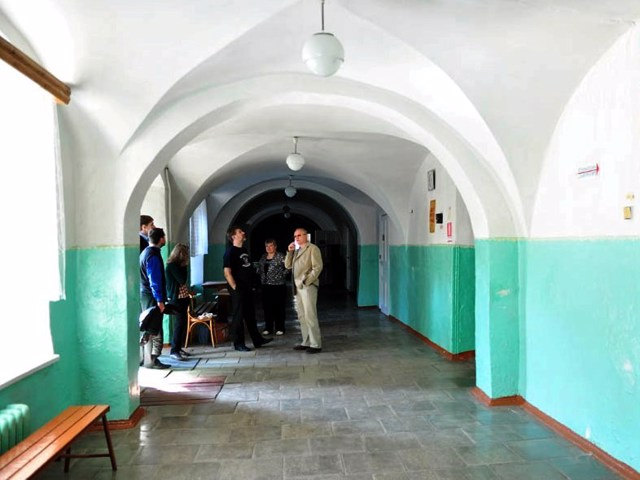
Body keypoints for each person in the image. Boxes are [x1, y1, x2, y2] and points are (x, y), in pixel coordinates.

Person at [223, 226, 273, 352]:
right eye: (240, 232)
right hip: (238, 288)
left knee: (250, 315)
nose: (243, 232)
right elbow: (227, 272)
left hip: (247, 287)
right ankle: (238, 343)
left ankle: (257, 340)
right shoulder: (230, 252)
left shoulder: (244, 250)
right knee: (238, 316)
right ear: (234, 236)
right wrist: (235, 287)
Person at [285, 228, 323, 353]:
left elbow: (317, 267)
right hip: (297, 286)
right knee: (302, 316)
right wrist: (290, 252)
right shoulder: (297, 250)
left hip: (307, 286)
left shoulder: (312, 248)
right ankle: (306, 342)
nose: (296, 238)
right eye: (295, 236)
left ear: (306, 236)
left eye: (299, 235)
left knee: (310, 315)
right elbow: (287, 266)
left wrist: (307, 281)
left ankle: (315, 344)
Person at [140, 227, 170, 369]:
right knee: (154, 329)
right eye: (164, 237)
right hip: (152, 297)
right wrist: (159, 300)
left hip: (145, 295)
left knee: (149, 327)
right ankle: (152, 360)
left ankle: (147, 359)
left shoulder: (145, 253)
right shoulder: (153, 255)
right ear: (161, 239)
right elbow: (155, 279)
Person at [165, 243, 193, 361]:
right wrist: (185, 266)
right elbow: (182, 280)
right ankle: (174, 350)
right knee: (179, 324)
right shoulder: (172, 266)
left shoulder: (177, 266)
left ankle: (178, 348)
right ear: (181, 254)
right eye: (186, 254)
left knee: (182, 324)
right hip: (177, 298)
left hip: (183, 297)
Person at [258, 239, 287, 336]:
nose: (268, 248)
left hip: (278, 286)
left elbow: (288, 267)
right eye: (267, 246)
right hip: (266, 286)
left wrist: (281, 275)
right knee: (267, 308)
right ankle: (268, 328)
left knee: (278, 307)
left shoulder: (280, 256)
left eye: (271, 246)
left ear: (275, 246)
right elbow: (260, 268)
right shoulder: (263, 257)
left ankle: (280, 327)